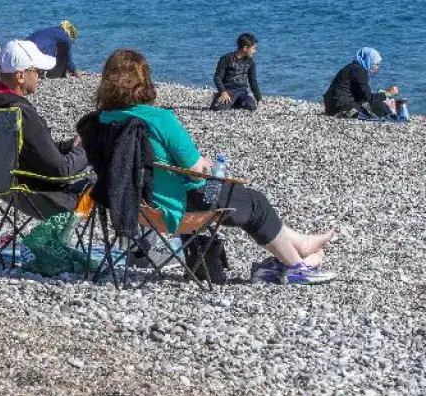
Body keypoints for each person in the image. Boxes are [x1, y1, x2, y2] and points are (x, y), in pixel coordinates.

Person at [95, 48, 336, 285]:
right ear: (144, 81)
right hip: (175, 206)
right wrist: (208, 166)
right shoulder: (159, 119)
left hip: (131, 206)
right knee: (255, 203)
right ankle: (296, 267)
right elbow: (196, 171)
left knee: (241, 199)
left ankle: (299, 245)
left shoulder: (99, 122)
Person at [0, 40, 92, 210]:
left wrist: (71, 145)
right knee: (99, 172)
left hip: (3, 188)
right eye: (37, 71)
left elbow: (33, 150)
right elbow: (61, 171)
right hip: (39, 196)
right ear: (20, 76)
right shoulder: (21, 112)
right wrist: (86, 148)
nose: (40, 77)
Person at [323, 48, 400, 119]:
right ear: (369, 60)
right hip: (340, 106)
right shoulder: (360, 71)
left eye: (378, 65)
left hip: (330, 106)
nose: (377, 68)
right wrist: (388, 93)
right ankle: (393, 116)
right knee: (378, 106)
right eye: (376, 64)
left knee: (373, 103)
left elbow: (361, 95)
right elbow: (368, 97)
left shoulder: (351, 67)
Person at [212, 33, 263, 111]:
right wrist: (223, 91)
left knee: (251, 107)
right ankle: (220, 98)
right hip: (228, 91)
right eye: (253, 48)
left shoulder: (250, 62)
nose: (255, 51)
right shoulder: (226, 58)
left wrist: (259, 99)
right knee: (217, 108)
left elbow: (253, 81)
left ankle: (234, 103)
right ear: (245, 48)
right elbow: (217, 78)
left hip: (242, 92)